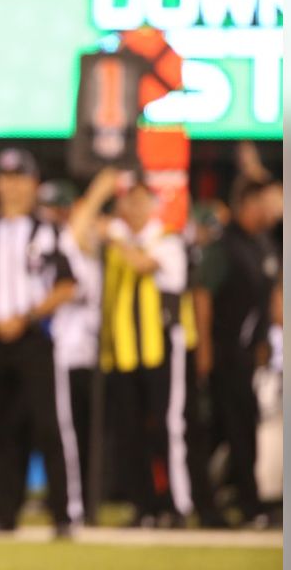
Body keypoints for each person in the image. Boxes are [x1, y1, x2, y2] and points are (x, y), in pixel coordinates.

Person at [0, 148, 79, 536]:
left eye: (19, 177)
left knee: (47, 426)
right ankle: (3, 514)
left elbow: (67, 285)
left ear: (33, 183)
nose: (10, 186)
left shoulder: (51, 231)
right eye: (4, 178)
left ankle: (63, 515)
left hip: (34, 341)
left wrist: (25, 317)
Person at [98, 179, 194, 528]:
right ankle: (144, 507)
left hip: (162, 350)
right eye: (129, 203)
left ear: (153, 206)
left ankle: (176, 505)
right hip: (123, 352)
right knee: (129, 431)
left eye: (141, 203)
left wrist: (117, 238)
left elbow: (142, 265)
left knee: (167, 429)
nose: (134, 210)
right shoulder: (117, 243)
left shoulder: (166, 240)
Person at [196, 179, 281, 528]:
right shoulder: (226, 244)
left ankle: (237, 503)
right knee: (228, 429)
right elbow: (202, 295)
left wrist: (263, 343)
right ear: (249, 204)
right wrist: (203, 348)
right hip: (223, 351)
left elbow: (266, 300)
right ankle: (236, 505)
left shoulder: (262, 244)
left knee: (234, 428)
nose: (274, 211)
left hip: (248, 354)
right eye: (267, 203)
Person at [41, 176, 102, 524]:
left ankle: (76, 503)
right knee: (66, 430)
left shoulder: (72, 237)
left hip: (80, 346)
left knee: (72, 431)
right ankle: (72, 501)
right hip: (64, 347)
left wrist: (104, 182)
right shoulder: (50, 239)